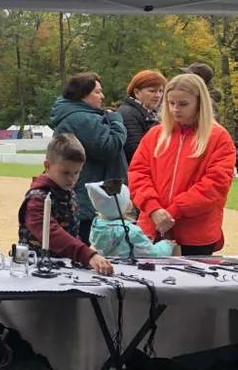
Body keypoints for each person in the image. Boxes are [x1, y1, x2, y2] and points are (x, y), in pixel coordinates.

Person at [128, 73, 236, 256]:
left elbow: (214, 186)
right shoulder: (155, 135)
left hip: (195, 234)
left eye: (183, 104)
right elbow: (138, 174)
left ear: (199, 103)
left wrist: (173, 211)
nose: (175, 109)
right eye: (171, 103)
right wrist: (154, 209)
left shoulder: (219, 138)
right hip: (153, 228)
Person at [18, 134, 114, 275]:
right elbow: (52, 233)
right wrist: (86, 254)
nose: (72, 179)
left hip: (62, 268)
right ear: (47, 166)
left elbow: (70, 232)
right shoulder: (37, 199)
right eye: (65, 172)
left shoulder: (67, 192)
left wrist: (87, 248)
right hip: (35, 270)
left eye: (77, 173)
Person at [50, 72, 127, 244]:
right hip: (89, 199)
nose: (102, 96)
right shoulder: (82, 118)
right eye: (97, 92)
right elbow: (110, 146)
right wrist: (116, 121)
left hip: (83, 194)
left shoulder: (76, 115)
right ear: (82, 95)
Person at [86, 181, 174, 259]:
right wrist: (167, 245)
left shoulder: (97, 225)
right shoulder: (131, 231)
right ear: (127, 206)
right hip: (129, 272)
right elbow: (152, 254)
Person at [118, 70, 166, 163]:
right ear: (136, 92)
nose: (158, 95)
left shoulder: (152, 113)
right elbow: (134, 151)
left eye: (161, 91)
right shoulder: (129, 114)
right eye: (152, 91)